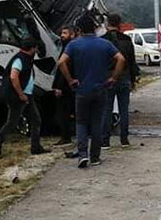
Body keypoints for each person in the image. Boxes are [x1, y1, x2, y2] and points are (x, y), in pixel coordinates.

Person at [58, 13, 125, 168]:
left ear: (79, 29)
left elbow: (61, 62)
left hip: (82, 89)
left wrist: (70, 80)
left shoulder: (74, 45)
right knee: (96, 122)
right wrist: (114, 77)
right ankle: (95, 157)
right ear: (94, 28)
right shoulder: (104, 44)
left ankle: (83, 155)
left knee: (81, 122)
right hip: (101, 88)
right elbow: (121, 59)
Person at [0, 39, 50, 158]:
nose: (37, 51)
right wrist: (20, 94)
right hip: (17, 96)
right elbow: (13, 77)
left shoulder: (26, 58)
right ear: (32, 48)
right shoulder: (20, 59)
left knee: (35, 120)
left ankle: (36, 147)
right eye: (36, 48)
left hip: (27, 95)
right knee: (11, 123)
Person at [101, 13, 139, 148]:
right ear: (119, 24)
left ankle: (105, 141)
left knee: (106, 109)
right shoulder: (127, 40)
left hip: (107, 78)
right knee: (124, 110)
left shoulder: (102, 40)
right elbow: (132, 62)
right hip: (124, 77)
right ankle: (124, 139)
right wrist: (133, 80)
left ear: (107, 24)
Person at [52, 25, 76, 145]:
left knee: (63, 113)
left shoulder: (69, 48)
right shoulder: (68, 47)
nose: (62, 35)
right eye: (62, 33)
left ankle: (66, 136)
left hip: (67, 86)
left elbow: (63, 68)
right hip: (70, 85)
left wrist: (59, 87)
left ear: (72, 35)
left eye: (65, 33)